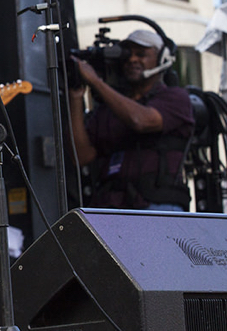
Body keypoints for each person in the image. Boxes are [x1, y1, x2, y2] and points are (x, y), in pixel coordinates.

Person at [69, 29, 195, 211]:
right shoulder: (109, 108)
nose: (132, 60)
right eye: (127, 55)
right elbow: (81, 155)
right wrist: (75, 97)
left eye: (141, 54)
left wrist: (96, 82)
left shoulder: (176, 98)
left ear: (162, 58)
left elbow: (141, 120)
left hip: (156, 207)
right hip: (112, 207)